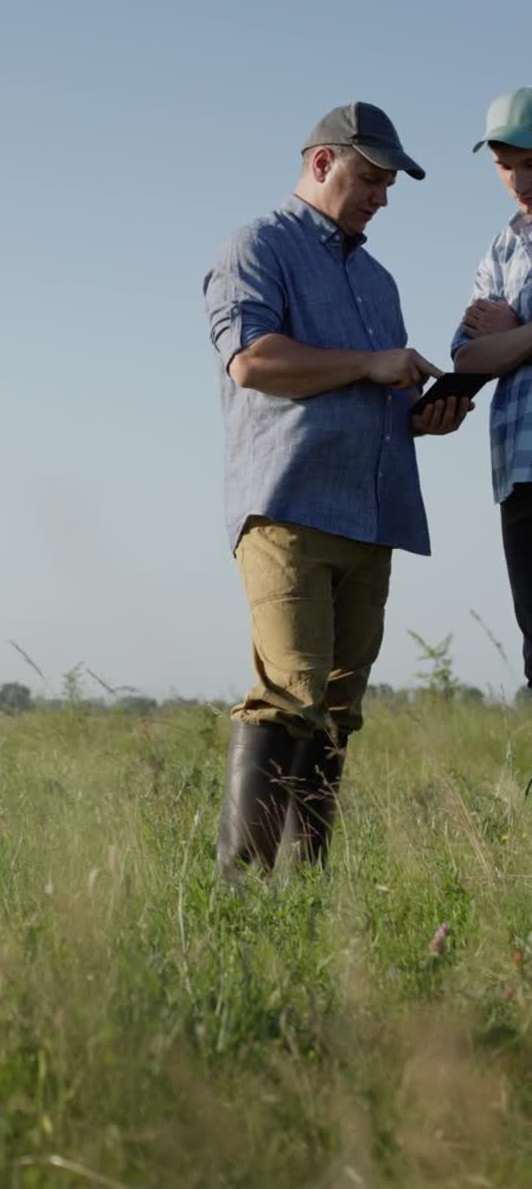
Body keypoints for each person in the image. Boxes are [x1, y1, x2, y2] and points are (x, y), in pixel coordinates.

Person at [203, 102, 472, 880]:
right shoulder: (257, 246)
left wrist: (425, 416)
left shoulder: (378, 281)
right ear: (322, 164)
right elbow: (252, 361)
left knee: (338, 711)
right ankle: (240, 898)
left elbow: (374, 393)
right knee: (289, 693)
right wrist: (368, 365)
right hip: (288, 510)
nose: (381, 197)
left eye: (389, 185)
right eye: (370, 179)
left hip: (373, 516)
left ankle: (301, 894)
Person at [450, 89, 532, 694]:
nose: (516, 178)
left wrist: (518, 333)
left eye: (529, 162)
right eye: (504, 164)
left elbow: (495, 348)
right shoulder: (501, 249)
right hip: (521, 470)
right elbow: (469, 354)